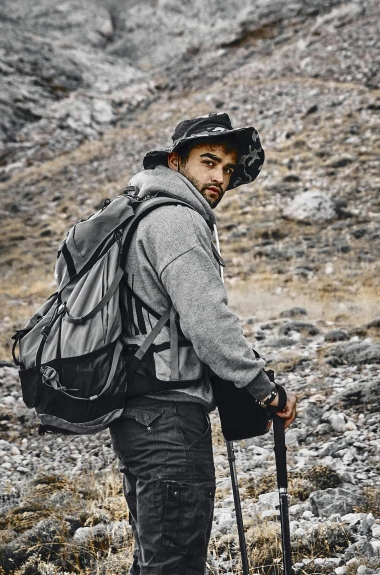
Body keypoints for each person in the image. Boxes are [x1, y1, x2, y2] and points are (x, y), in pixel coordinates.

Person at [110, 111, 298, 575]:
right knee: (174, 563)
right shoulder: (176, 219)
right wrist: (263, 388)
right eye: (209, 161)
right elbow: (209, 322)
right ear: (176, 162)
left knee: (157, 559)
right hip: (169, 420)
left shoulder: (147, 213)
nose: (219, 177)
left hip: (142, 418)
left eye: (228, 169)